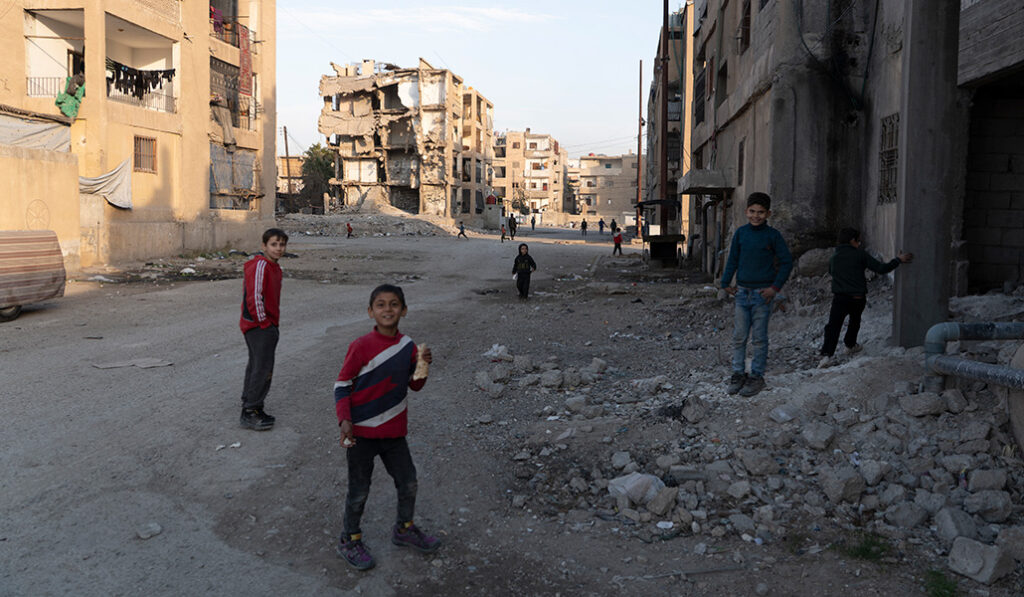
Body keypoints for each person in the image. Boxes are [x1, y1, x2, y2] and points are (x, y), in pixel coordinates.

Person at [334, 284, 440, 570]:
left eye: (394, 304)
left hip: (394, 434)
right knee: (359, 490)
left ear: (403, 310)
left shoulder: (408, 346)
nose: (388, 309)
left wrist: (423, 365)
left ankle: (404, 528)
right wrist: (345, 420)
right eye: (380, 304)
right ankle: (350, 538)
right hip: (361, 435)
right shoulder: (360, 346)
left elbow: (415, 386)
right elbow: (342, 385)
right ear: (371, 311)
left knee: (409, 482)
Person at [720, 192, 793, 398]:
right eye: (752, 211)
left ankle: (757, 376)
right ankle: (737, 374)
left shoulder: (773, 236)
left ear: (768, 213)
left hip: (763, 295)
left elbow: (787, 262)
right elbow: (732, 259)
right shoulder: (741, 234)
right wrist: (725, 283)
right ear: (746, 212)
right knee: (739, 337)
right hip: (742, 294)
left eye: (761, 212)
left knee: (759, 338)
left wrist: (775, 288)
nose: (756, 216)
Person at [818, 228, 913, 366]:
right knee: (854, 321)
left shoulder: (834, 257)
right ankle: (850, 345)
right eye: (858, 240)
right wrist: (898, 260)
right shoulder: (860, 255)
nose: (859, 243)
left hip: (840, 298)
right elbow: (881, 268)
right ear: (852, 240)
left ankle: (827, 355)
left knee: (833, 326)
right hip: (857, 297)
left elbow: (832, 272)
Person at [238, 228, 288, 430]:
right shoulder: (260, 265)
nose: (278, 248)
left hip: (267, 325)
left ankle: (250, 402)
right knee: (263, 368)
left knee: (256, 365)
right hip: (259, 326)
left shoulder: (275, 267)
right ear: (264, 246)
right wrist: (264, 323)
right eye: (274, 244)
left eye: (282, 244)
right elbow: (254, 296)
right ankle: (251, 410)